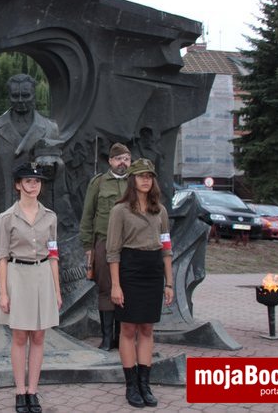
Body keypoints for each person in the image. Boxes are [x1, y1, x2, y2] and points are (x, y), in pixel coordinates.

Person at [106, 158, 173, 408]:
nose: (146, 180)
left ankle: (145, 384)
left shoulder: (160, 210)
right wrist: (115, 285)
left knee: (147, 329)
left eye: (149, 176)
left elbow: (166, 248)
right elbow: (113, 251)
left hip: (153, 270)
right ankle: (131, 385)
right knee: (128, 329)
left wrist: (169, 283)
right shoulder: (120, 210)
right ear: (132, 180)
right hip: (130, 269)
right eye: (141, 175)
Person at [0, 162, 62, 413]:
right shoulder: (7, 218)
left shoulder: (50, 217)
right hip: (18, 276)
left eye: (37, 181)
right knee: (20, 336)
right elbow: (2, 257)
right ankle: (20, 391)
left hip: (43, 275)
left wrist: (57, 290)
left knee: (39, 335)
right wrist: (4, 292)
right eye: (28, 181)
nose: (33, 186)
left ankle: (33, 391)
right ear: (18, 185)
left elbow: (53, 255)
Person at [0, 74, 64, 268]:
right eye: (15, 96)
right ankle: (1, 284)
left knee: (38, 249)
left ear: (34, 95)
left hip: (38, 200)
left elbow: (58, 165)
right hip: (5, 199)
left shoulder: (49, 128)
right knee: (3, 250)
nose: (20, 100)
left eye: (25, 95)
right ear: (9, 96)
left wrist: (53, 165)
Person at [79, 142, 131, 350]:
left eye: (126, 159)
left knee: (126, 287)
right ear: (110, 161)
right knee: (106, 288)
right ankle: (107, 338)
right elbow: (88, 214)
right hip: (104, 241)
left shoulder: (135, 182)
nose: (122, 163)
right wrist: (88, 246)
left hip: (130, 244)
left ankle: (121, 336)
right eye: (118, 159)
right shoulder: (99, 183)